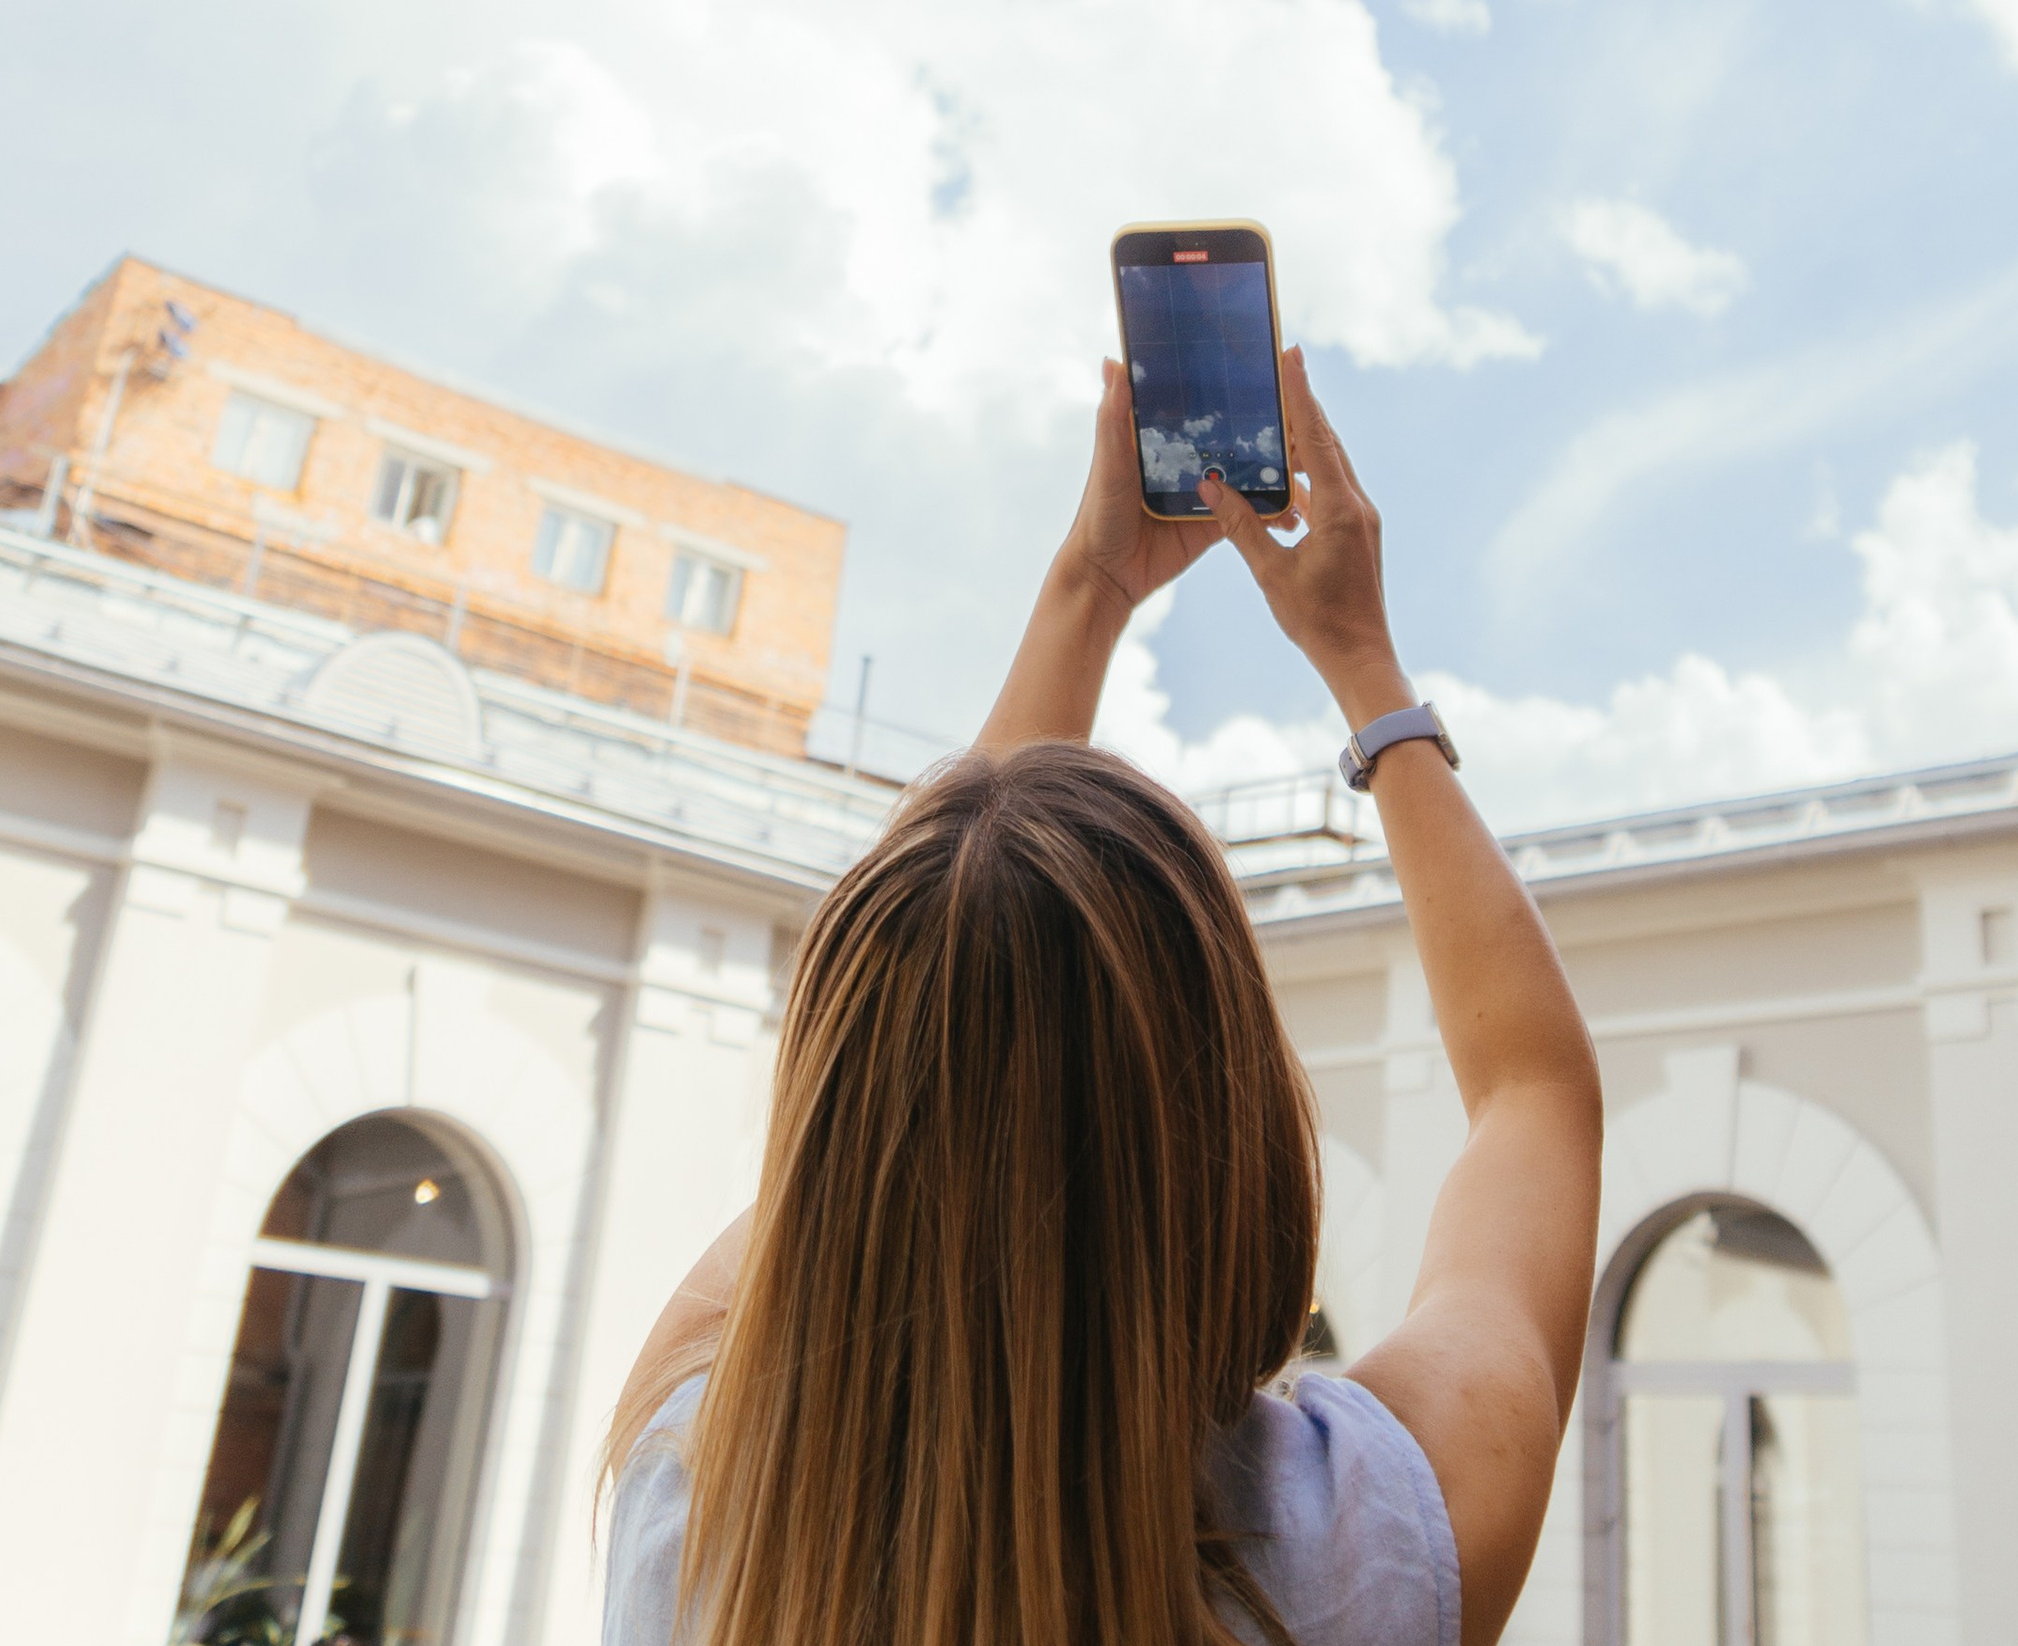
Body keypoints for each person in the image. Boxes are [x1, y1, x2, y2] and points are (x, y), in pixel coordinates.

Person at [601, 346, 1604, 1646]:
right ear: (1225, 1122)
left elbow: (875, 1099)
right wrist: (1362, 666)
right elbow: (1533, 1094)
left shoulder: (689, 1508)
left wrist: (1088, 587)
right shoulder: (1363, 1540)